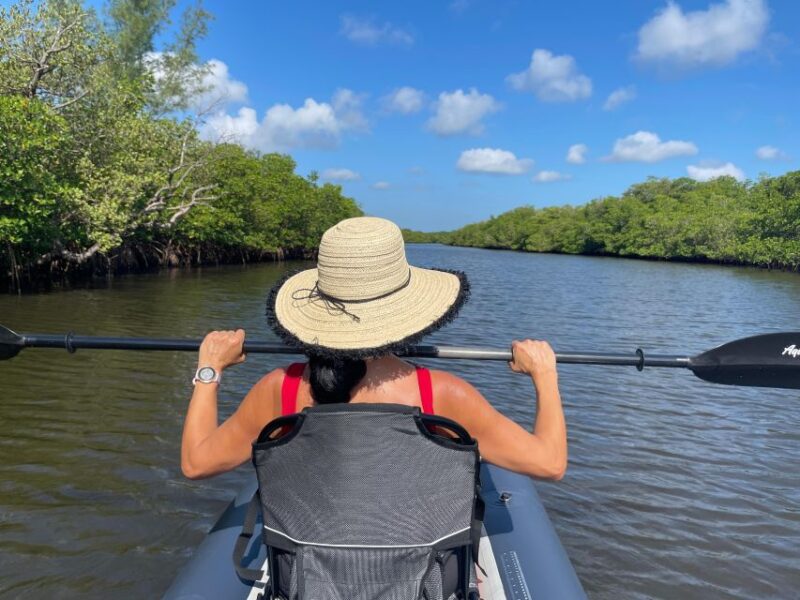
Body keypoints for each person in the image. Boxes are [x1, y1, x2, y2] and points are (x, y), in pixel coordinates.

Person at [181, 216, 567, 482]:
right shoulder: (446, 396)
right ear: (406, 307)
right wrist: (545, 376)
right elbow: (550, 464)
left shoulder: (277, 391)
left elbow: (196, 464)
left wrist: (209, 369)